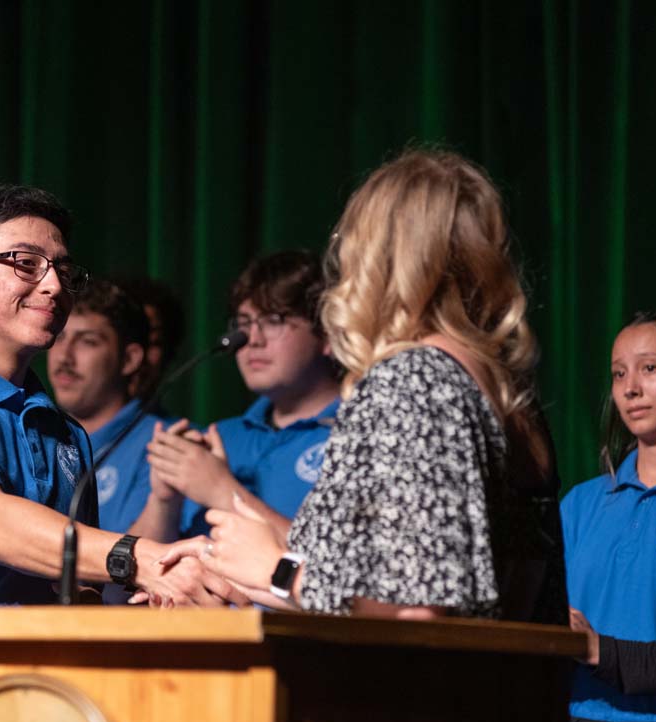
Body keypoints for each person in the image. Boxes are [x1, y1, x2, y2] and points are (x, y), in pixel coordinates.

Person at [160, 149, 566, 621]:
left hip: (391, 691)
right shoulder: (494, 384)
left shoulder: (416, 379)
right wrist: (225, 567)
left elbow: (418, 610)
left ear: (377, 256)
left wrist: (273, 567)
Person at [0, 184, 234, 608]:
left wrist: (156, 600)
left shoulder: (64, 430)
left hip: (35, 673)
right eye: (26, 264)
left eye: (63, 272)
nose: (53, 285)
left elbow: (74, 590)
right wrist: (141, 557)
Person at [130, 251, 341, 545]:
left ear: (328, 334)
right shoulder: (218, 437)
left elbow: (339, 574)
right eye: (244, 322)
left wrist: (223, 492)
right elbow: (122, 584)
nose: (252, 340)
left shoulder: (357, 436)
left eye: (274, 320)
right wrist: (164, 502)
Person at [561, 311, 656, 722]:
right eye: (619, 373)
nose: (631, 387)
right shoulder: (581, 504)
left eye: (650, 368)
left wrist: (602, 652)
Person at [47, 279, 156, 532]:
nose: (65, 356)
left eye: (88, 341)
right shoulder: (37, 435)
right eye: (59, 336)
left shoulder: (161, 446)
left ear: (129, 359)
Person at [119, 277, 185, 404]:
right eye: (128, 339)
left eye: (153, 342)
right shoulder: (71, 422)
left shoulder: (180, 425)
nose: (137, 357)